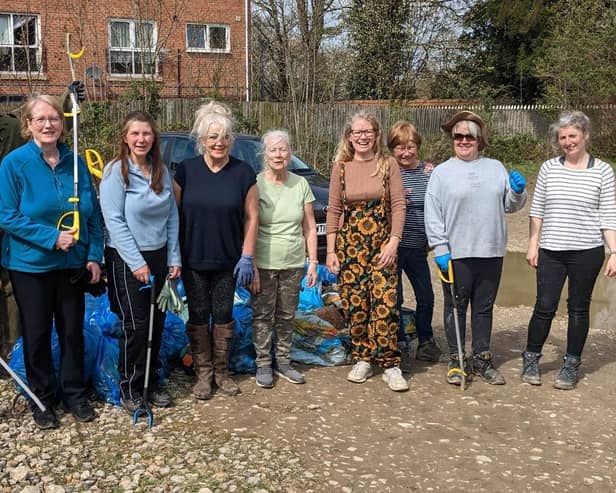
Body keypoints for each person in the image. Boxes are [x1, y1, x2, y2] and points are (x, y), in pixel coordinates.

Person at [0, 94, 104, 429]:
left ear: (63, 123)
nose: (48, 125)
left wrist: (93, 256)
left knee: (73, 331)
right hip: (31, 266)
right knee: (37, 333)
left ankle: (74, 393)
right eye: (40, 119)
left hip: (72, 266)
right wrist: (50, 237)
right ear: (28, 125)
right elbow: (7, 215)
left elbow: (92, 216)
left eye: (54, 119)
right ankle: (42, 397)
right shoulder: (14, 164)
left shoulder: (77, 164)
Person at [424, 110, 527, 386]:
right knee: (455, 307)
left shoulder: (495, 168)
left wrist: (517, 191)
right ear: (452, 139)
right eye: (458, 135)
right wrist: (440, 248)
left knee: (483, 308)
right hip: (456, 254)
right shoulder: (442, 173)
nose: (464, 140)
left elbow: (510, 205)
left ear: (479, 139)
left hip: (491, 251)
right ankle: (457, 361)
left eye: (470, 136)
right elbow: (432, 213)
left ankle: (482, 359)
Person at [522, 111, 616, 390]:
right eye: (562, 137)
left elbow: (608, 215)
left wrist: (613, 251)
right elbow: (537, 210)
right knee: (544, 306)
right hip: (551, 250)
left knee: (578, 308)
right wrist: (532, 244)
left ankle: (571, 364)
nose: (567, 141)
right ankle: (531, 358)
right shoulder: (549, 168)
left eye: (572, 135)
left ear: (585, 135)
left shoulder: (603, 171)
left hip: (587, 252)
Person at [173, 101, 258, 400]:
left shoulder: (243, 172)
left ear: (230, 140)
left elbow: (252, 217)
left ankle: (222, 373)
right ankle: (202, 374)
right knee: (197, 314)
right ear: (202, 141)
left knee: (223, 314)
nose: (219, 142)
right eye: (212, 137)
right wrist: (173, 256)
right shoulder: (186, 171)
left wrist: (247, 256)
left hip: (228, 260)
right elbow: (174, 215)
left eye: (224, 137)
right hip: (193, 258)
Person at [100, 110, 181, 413]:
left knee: (157, 323)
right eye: (135, 133)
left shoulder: (160, 170)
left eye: (146, 133)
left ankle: (152, 379)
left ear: (153, 138)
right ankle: (130, 386)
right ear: (125, 137)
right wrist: (136, 263)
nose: (141, 139)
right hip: (125, 257)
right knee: (136, 324)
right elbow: (114, 221)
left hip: (158, 254)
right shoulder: (115, 173)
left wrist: (174, 257)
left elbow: (172, 215)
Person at [325, 112, 408, 392]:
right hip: (351, 246)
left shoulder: (389, 164)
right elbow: (334, 209)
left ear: (376, 134)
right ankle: (362, 357)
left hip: (382, 245)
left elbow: (398, 205)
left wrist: (394, 241)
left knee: (385, 304)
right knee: (356, 304)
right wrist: (332, 250)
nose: (363, 136)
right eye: (357, 132)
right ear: (349, 136)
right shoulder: (341, 168)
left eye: (368, 131)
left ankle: (390, 363)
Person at [249, 130, 318, 388]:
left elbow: (309, 227)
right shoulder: (255, 184)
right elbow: (249, 227)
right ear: (264, 154)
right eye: (273, 150)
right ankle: (264, 364)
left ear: (290, 153)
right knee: (263, 315)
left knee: (287, 314)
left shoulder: (300, 184)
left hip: (293, 262)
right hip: (264, 264)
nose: (278, 154)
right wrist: (251, 264)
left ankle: (285, 361)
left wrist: (312, 262)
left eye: (283, 149)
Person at [386, 121, 440, 373]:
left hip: (419, 247)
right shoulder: (386, 171)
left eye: (410, 147)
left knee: (426, 296)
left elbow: (440, 207)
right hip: (393, 249)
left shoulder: (430, 173)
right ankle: (397, 343)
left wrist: (435, 241)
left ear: (417, 147)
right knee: (393, 297)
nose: (405, 153)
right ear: (392, 150)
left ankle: (425, 339)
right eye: (399, 148)